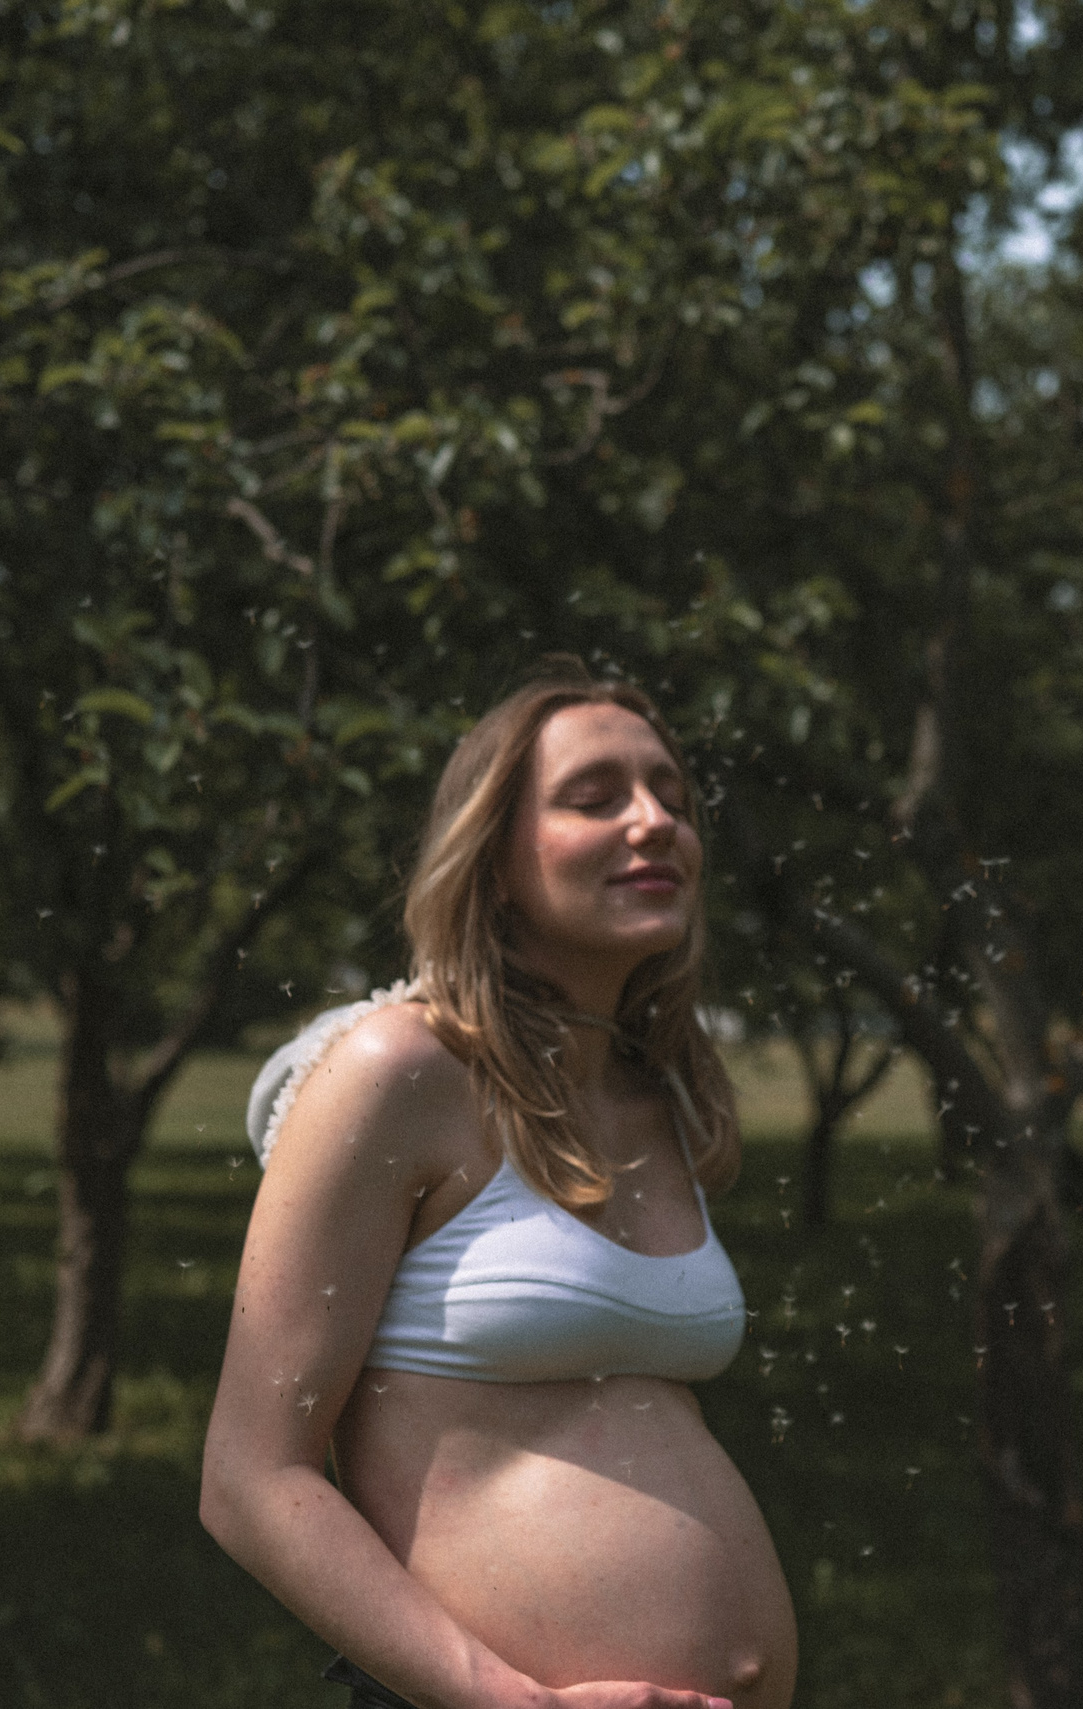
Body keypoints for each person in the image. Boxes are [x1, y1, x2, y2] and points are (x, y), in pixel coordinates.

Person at [202, 663, 794, 1709]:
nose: (655, 820)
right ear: (494, 855)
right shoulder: (400, 1072)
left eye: (673, 794)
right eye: (595, 795)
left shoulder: (653, 1095)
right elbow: (252, 1481)